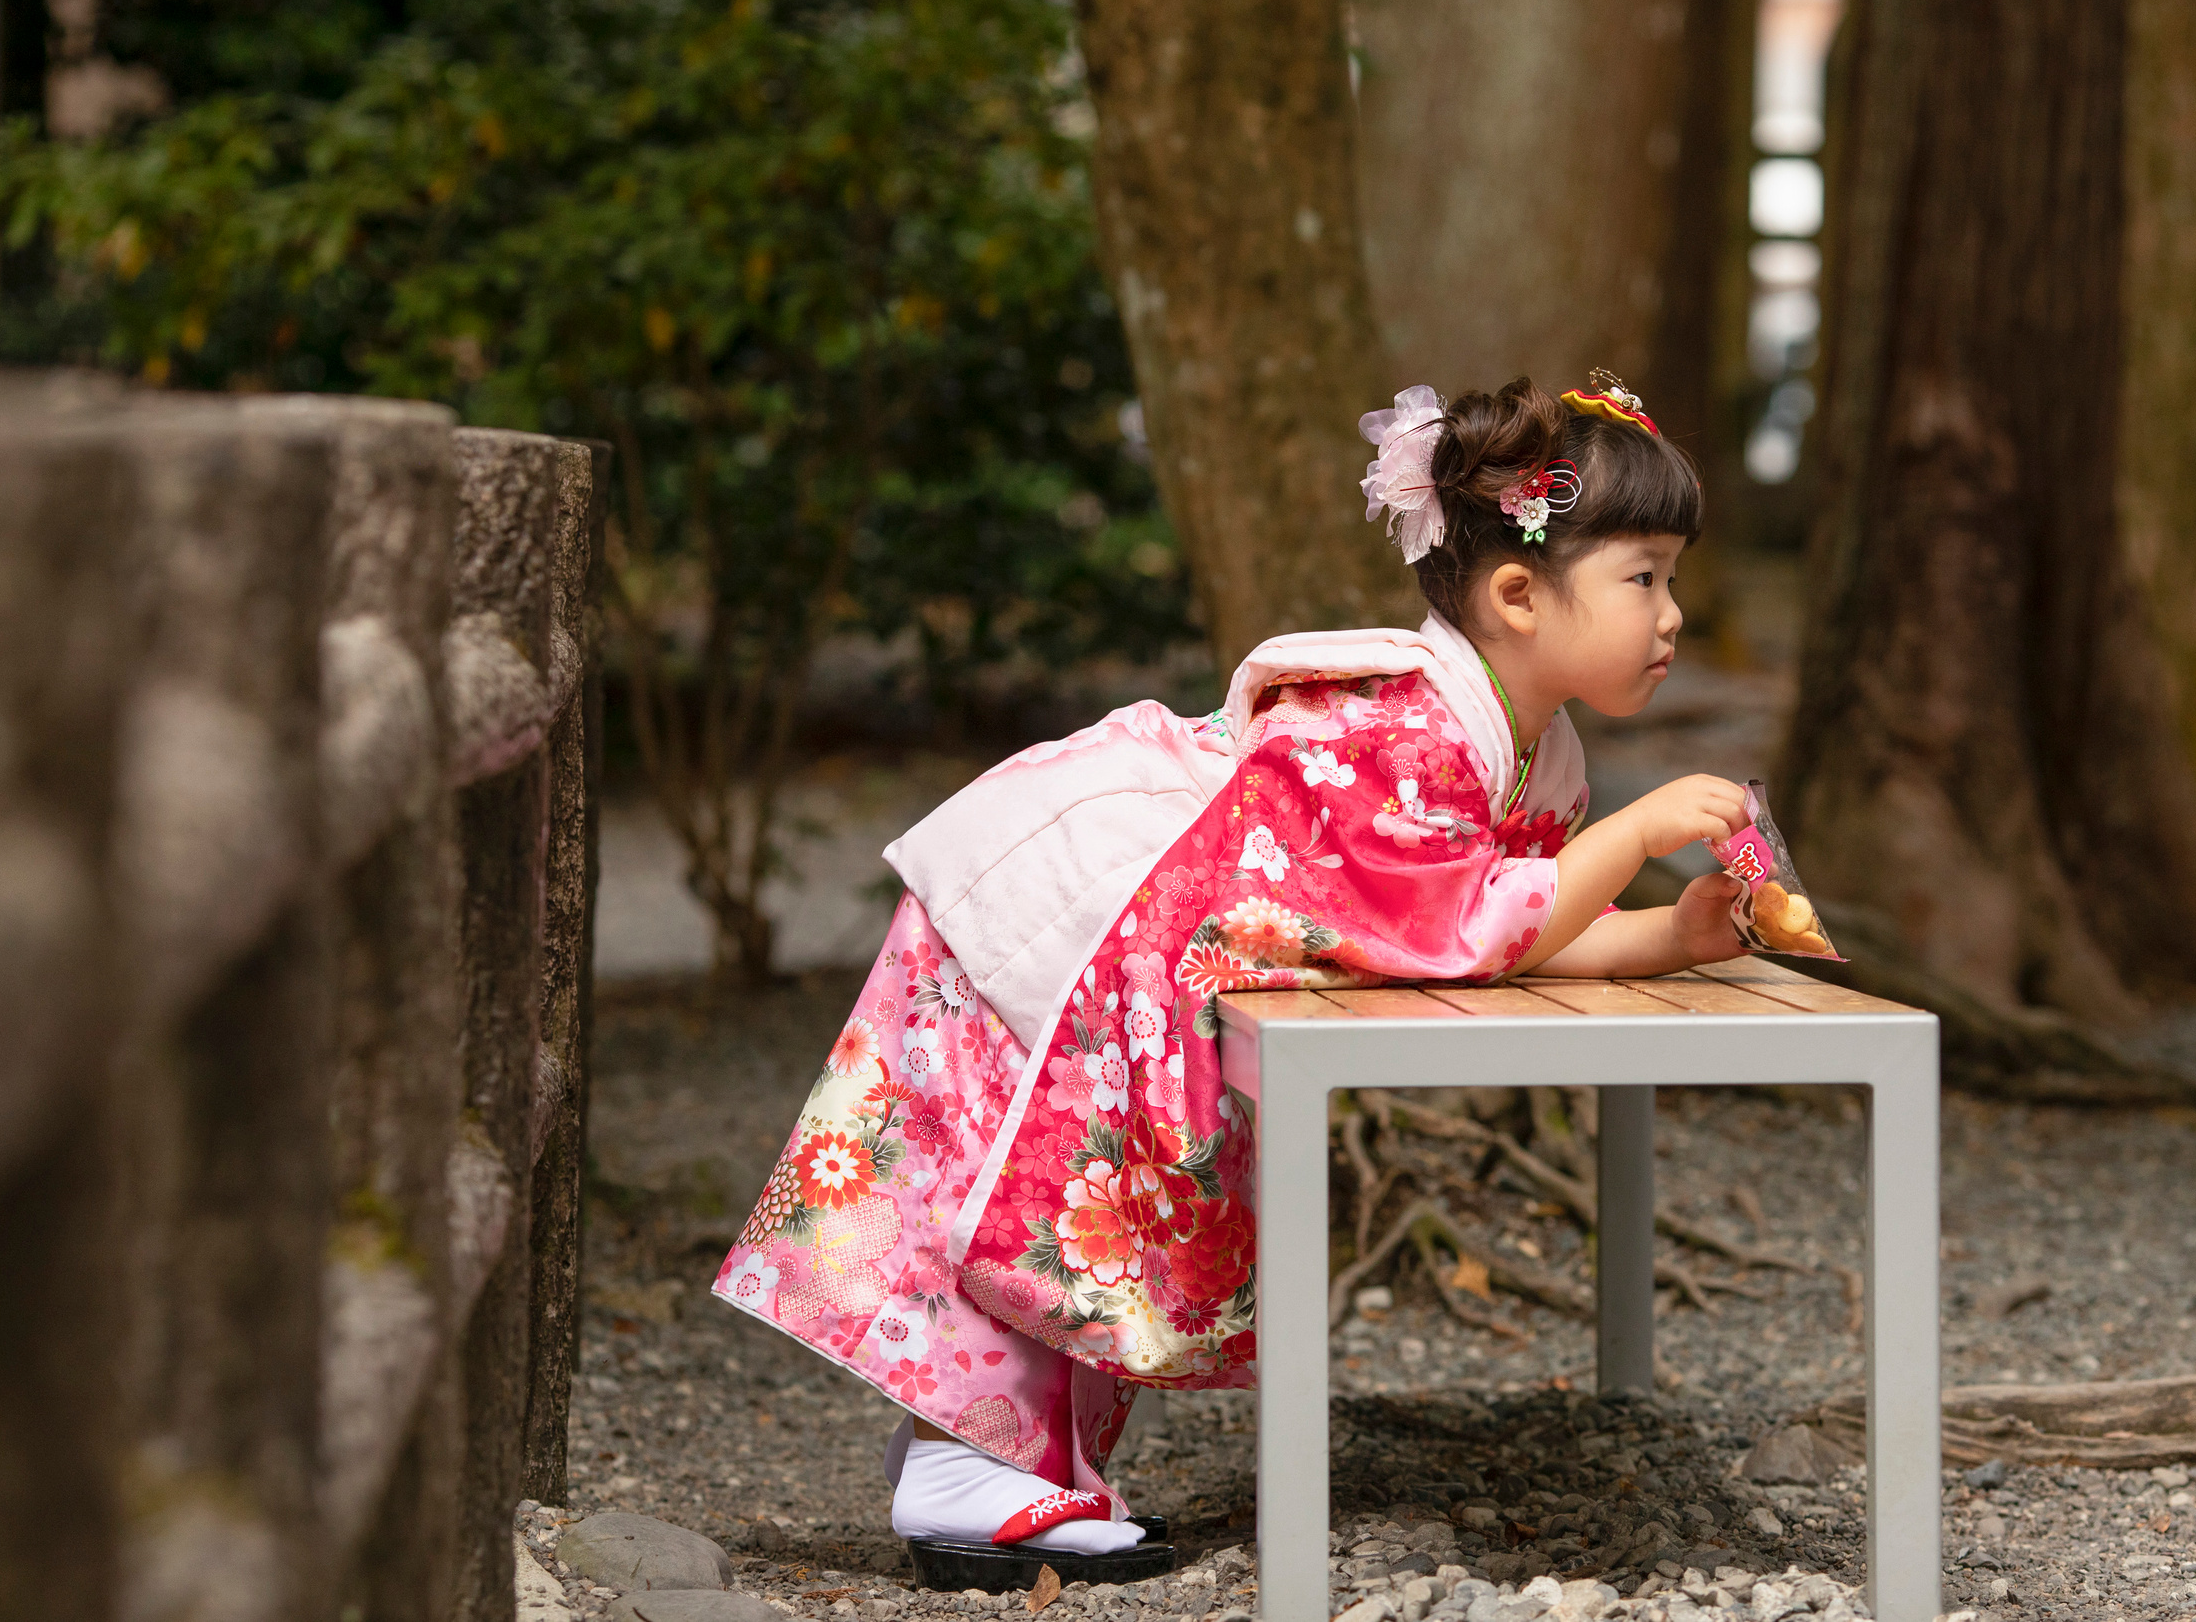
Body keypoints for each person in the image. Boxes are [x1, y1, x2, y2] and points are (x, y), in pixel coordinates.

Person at [708, 372, 1753, 1582]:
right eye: (1646, 578)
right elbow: (1464, 923)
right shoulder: (1402, 726)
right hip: (1109, 913)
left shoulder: (1528, 743)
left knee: (1102, 1207)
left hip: (1166, 939)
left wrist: (1667, 933)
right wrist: (1628, 839)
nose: (1674, 614)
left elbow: (1499, 922)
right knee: (1057, 1191)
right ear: (1518, 594)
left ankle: (998, 1475)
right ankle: (969, 1474)